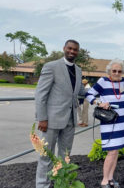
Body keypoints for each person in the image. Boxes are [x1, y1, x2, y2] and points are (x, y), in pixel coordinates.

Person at [35, 40, 86, 188]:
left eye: (75, 49)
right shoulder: (51, 67)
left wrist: (101, 90)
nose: (72, 51)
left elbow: (80, 92)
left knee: (65, 157)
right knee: (46, 156)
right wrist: (42, 118)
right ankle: (42, 185)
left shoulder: (78, 70)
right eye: (69, 48)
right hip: (50, 120)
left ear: (78, 52)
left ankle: (61, 183)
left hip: (70, 121)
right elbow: (40, 94)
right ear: (64, 48)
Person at [86, 58, 124, 188]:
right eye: (114, 71)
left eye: (119, 71)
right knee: (111, 151)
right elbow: (89, 95)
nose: (117, 73)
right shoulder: (103, 81)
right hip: (110, 121)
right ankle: (105, 180)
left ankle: (111, 178)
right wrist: (100, 103)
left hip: (122, 120)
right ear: (109, 71)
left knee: (116, 151)